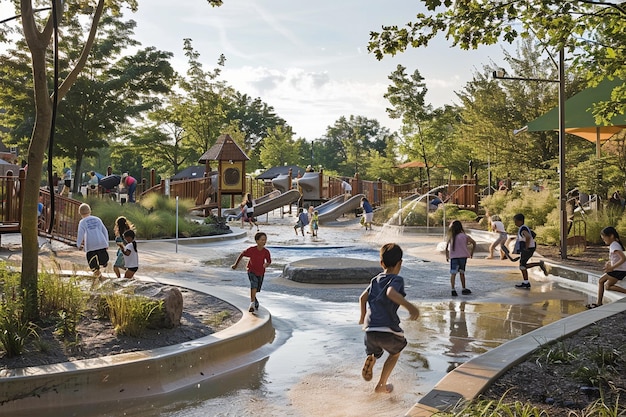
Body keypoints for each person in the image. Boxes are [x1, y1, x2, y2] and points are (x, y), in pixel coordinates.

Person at [358, 243, 420, 394]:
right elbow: (391, 293)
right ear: (400, 263)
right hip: (388, 329)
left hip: (370, 330)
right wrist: (410, 307)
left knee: (376, 351)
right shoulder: (396, 280)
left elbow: (362, 298)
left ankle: (372, 358)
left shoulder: (374, 280)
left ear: (381, 263)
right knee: (395, 353)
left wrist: (362, 317)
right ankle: (381, 385)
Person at [231, 232, 272, 313]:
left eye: (265, 240)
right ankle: (252, 303)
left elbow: (269, 260)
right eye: (262, 240)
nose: (264, 241)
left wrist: (266, 264)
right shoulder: (252, 250)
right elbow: (242, 254)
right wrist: (236, 264)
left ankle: (254, 299)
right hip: (251, 270)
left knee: (257, 288)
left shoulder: (266, 251)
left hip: (261, 272)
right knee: (254, 285)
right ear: (257, 241)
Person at [587, 226, 626, 308]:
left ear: (611, 236)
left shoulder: (614, 245)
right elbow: (617, 258)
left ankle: (599, 303)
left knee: (601, 281)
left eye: (604, 238)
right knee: (607, 286)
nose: (603, 240)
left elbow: (623, 258)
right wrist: (609, 263)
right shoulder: (615, 244)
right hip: (620, 270)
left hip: (618, 270)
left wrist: (612, 267)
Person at [512, 213, 548, 289]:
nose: (515, 223)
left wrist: (526, 247)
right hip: (529, 248)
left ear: (520, 221)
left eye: (516, 221)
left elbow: (528, 237)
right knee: (523, 266)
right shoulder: (523, 227)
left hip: (528, 249)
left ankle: (526, 282)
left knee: (522, 266)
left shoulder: (523, 228)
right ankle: (526, 282)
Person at [76, 203, 109, 279]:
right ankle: (104, 263)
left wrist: (78, 244)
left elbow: (80, 233)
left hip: (91, 246)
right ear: (90, 211)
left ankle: (97, 273)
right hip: (101, 243)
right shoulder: (97, 219)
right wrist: (106, 243)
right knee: (103, 257)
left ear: (80, 213)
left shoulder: (82, 222)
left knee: (92, 263)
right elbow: (105, 231)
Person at [445, 220, 476, 296]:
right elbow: (474, 243)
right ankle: (463, 288)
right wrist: (471, 252)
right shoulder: (465, 236)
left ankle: (453, 289)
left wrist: (447, 255)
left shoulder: (452, 236)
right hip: (463, 257)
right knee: (462, 273)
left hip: (454, 257)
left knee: (453, 273)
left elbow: (446, 247)